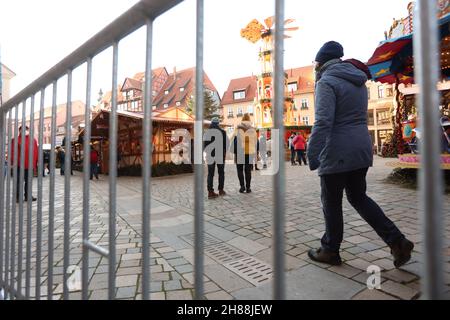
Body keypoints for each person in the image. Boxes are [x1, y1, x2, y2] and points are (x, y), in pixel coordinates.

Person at [307, 41, 413, 268]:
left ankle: (330, 250)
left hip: (337, 150)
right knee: (358, 197)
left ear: (322, 61)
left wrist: (312, 152)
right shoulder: (358, 82)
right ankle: (397, 241)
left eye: (316, 62)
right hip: (361, 147)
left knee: (331, 201)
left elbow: (324, 121)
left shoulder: (326, 82)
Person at [10, 125, 38, 202]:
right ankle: (18, 197)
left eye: (26, 129)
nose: (24, 131)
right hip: (19, 164)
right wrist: (13, 162)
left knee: (29, 181)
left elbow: (36, 151)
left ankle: (28, 196)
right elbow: (12, 152)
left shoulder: (33, 140)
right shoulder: (15, 140)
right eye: (22, 130)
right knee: (19, 181)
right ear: (19, 131)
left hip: (30, 164)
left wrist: (36, 162)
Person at [231, 113, 257, 193]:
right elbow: (255, 141)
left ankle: (242, 186)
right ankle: (248, 188)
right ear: (249, 119)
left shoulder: (238, 128)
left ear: (242, 119)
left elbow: (232, 138)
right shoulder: (253, 129)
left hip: (240, 150)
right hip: (250, 151)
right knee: (248, 170)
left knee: (239, 169)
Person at [204, 117, 228, 198]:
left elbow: (204, 146)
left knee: (210, 174)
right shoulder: (223, 132)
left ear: (211, 123)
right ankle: (221, 190)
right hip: (220, 155)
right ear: (218, 123)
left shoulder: (207, 133)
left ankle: (210, 192)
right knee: (221, 173)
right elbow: (226, 145)